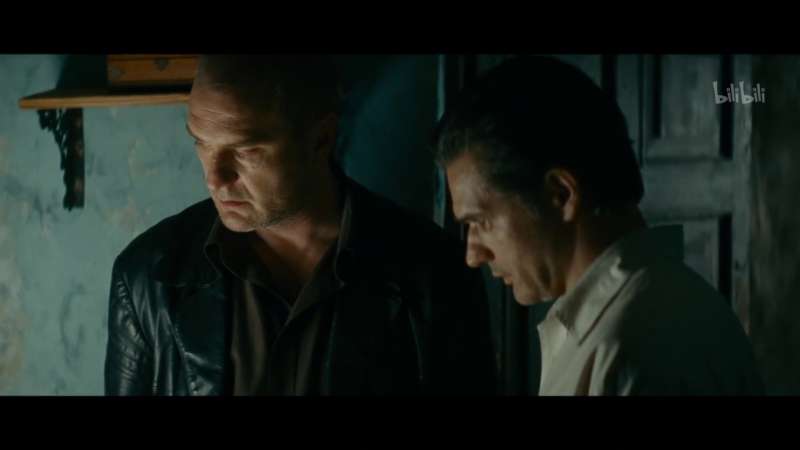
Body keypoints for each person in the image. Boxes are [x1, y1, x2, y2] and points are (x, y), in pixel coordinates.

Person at [104, 55, 496, 395]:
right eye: (201, 143)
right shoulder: (148, 277)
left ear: (320, 139)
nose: (214, 178)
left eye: (246, 150)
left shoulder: (434, 274)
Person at [433, 55, 763, 395]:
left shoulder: (626, 350)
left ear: (561, 195)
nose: (473, 255)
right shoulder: (675, 303)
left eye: (480, 222)